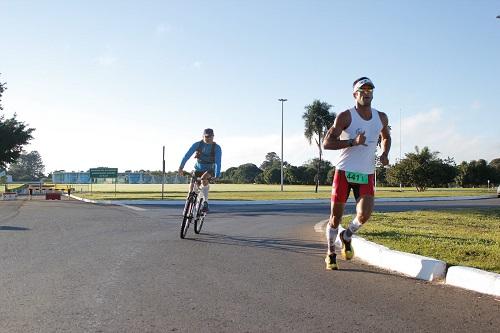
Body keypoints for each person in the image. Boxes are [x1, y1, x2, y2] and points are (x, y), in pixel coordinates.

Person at [322, 77, 391, 270]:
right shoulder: (345, 116)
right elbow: (327, 143)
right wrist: (352, 142)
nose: (367, 93)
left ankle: (347, 235)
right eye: (363, 90)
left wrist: (385, 153)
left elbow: (386, 136)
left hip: (366, 173)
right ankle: (330, 252)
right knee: (335, 218)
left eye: (370, 90)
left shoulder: (381, 117)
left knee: (365, 214)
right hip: (344, 172)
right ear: (355, 94)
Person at [178, 128, 222, 212]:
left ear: (213, 137)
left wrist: (217, 175)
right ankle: (190, 199)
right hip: (198, 168)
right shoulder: (197, 144)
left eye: (210, 137)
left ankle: (205, 202)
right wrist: (181, 168)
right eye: (206, 136)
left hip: (210, 170)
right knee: (193, 182)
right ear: (203, 136)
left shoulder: (217, 148)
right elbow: (187, 155)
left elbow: (218, 162)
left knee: (203, 178)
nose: (208, 138)